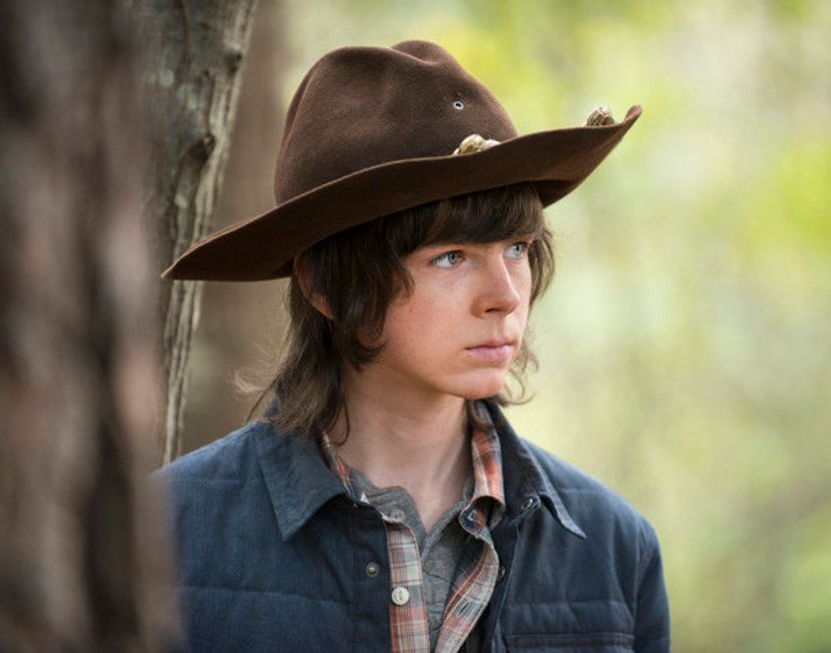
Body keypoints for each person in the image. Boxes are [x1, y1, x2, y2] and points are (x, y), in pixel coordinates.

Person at [159, 39, 669, 653]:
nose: (506, 296)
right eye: (451, 256)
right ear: (326, 287)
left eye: (517, 248)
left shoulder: (615, 552)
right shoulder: (166, 533)